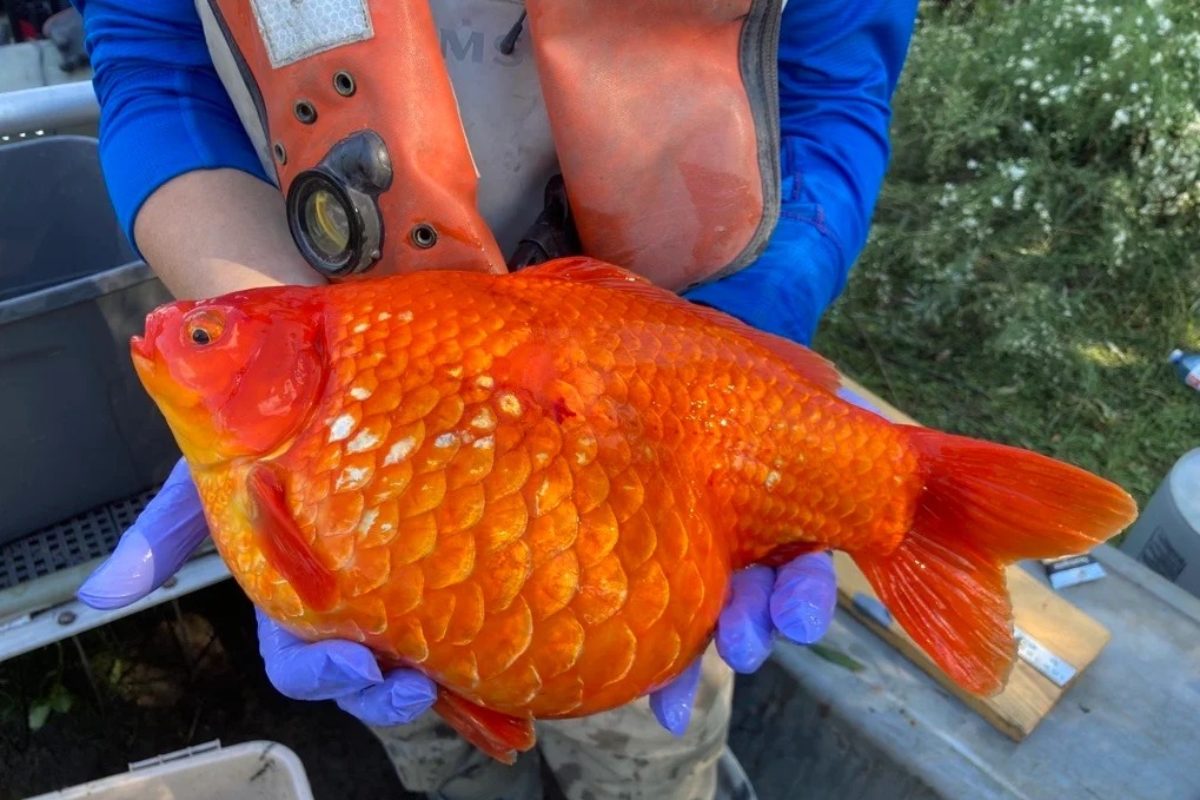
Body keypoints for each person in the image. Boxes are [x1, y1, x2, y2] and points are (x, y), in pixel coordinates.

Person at [69, 1, 917, 797]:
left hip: (655, 403)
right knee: (421, 717)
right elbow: (156, 64)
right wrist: (280, 344)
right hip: (338, 315)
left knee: (651, 735)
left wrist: (709, 368)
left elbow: (826, 97)